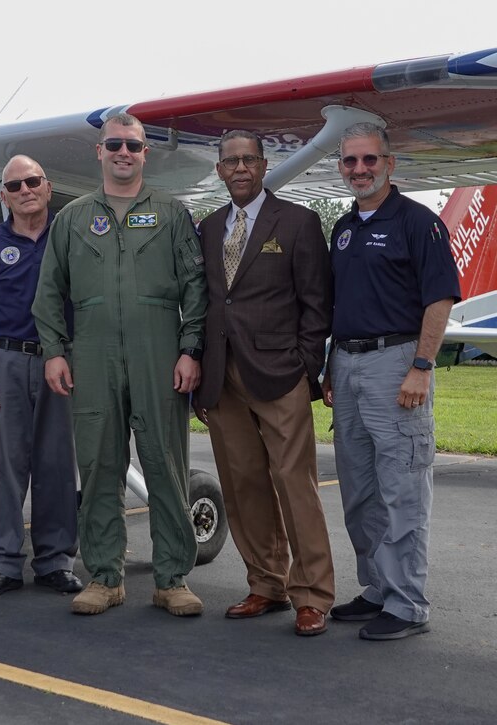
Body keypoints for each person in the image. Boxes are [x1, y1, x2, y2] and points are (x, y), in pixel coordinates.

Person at [33, 113, 208, 616]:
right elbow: (48, 294)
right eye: (114, 145)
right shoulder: (72, 219)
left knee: (165, 463)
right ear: (100, 151)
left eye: (133, 145)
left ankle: (172, 577)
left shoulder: (172, 213)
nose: (123, 153)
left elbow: (196, 287)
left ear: (145, 153)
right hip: (92, 352)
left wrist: (189, 348)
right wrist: (54, 353)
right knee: (99, 463)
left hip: (158, 349)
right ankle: (105, 577)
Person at [193, 130, 335, 636]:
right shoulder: (208, 228)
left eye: (248, 159)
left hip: (281, 373)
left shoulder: (298, 221)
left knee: (294, 482)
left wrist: (305, 366)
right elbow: (210, 302)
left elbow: (317, 304)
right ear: (219, 170)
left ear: (263, 163)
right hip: (221, 376)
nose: (239, 169)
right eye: (229, 161)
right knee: (242, 483)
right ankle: (266, 582)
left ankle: (313, 594)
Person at [323, 122, 460, 640]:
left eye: (369, 160)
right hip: (348, 364)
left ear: (389, 163)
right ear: (340, 167)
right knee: (360, 490)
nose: (360, 169)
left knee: (402, 487)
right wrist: (332, 366)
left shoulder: (416, 223)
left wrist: (422, 368)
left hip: (397, 363)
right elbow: (342, 304)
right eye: (350, 161)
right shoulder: (342, 228)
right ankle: (378, 588)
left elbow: (439, 298)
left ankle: (407, 605)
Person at [0, 155, 82, 599]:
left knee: (57, 465)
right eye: (15, 186)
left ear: (48, 188)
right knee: (5, 467)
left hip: (60, 361)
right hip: (5, 360)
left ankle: (55, 561)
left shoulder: (71, 239)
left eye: (33, 182)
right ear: (3, 196)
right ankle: (2, 563)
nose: (25, 190)